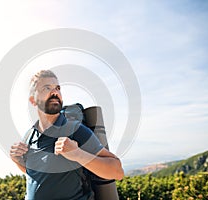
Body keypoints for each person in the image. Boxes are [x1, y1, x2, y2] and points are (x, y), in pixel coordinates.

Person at [10, 70, 124, 200]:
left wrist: (78, 154)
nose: (55, 92)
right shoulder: (29, 136)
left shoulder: (75, 130)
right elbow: (34, 174)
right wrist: (17, 160)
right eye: (47, 88)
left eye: (57, 88)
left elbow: (117, 171)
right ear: (33, 100)